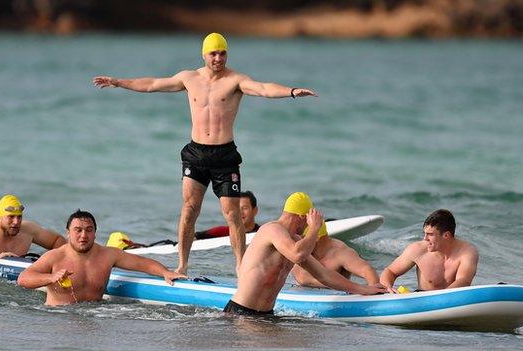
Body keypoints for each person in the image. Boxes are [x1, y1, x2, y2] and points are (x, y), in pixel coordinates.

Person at [93, 33, 317, 275]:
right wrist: (118, 82)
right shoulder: (189, 78)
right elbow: (151, 84)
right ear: (204, 54)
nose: (218, 58)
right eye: (213, 53)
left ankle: (241, 266)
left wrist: (291, 91)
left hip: (224, 156)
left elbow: (263, 89)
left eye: (223, 53)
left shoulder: (235, 80)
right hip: (196, 153)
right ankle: (182, 265)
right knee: (189, 209)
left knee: (232, 214)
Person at [224, 192, 386, 316]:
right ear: (301, 217)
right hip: (240, 313)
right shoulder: (272, 230)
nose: (307, 227)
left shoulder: (294, 240)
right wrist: (315, 229)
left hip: (266, 315)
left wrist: (364, 289)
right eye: (307, 220)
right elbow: (297, 255)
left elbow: (324, 276)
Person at [17, 209, 186, 306]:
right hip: (58, 316)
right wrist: (51, 277)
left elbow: (141, 263)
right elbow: (23, 279)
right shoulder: (55, 256)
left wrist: (165, 272)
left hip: (96, 315)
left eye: (89, 230)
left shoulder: (107, 255)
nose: (84, 235)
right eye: (78, 230)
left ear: (95, 234)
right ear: (68, 233)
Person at [380, 209, 479, 292]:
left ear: (446, 235)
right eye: (425, 233)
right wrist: (388, 288)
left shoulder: (467, 252)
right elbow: (390, 271)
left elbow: (463, 281)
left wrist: (441, 299)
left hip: (453, 300)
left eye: (430, 234)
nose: (425, 238)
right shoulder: (417, 250)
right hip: (424, 299)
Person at [291, 223, 380, 288]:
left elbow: (367, 270)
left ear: (316, 237)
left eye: (302, 239)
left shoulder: (340, 253)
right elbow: (301, 278)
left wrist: (374, 293)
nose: (298, 243)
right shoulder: (298, 251)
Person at [195, 191, 259, 239]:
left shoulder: (262, 232)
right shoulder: (223, 232)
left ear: (255, 210)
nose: (240, 212)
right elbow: (196, 236)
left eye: (244, 208)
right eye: (237, 208)